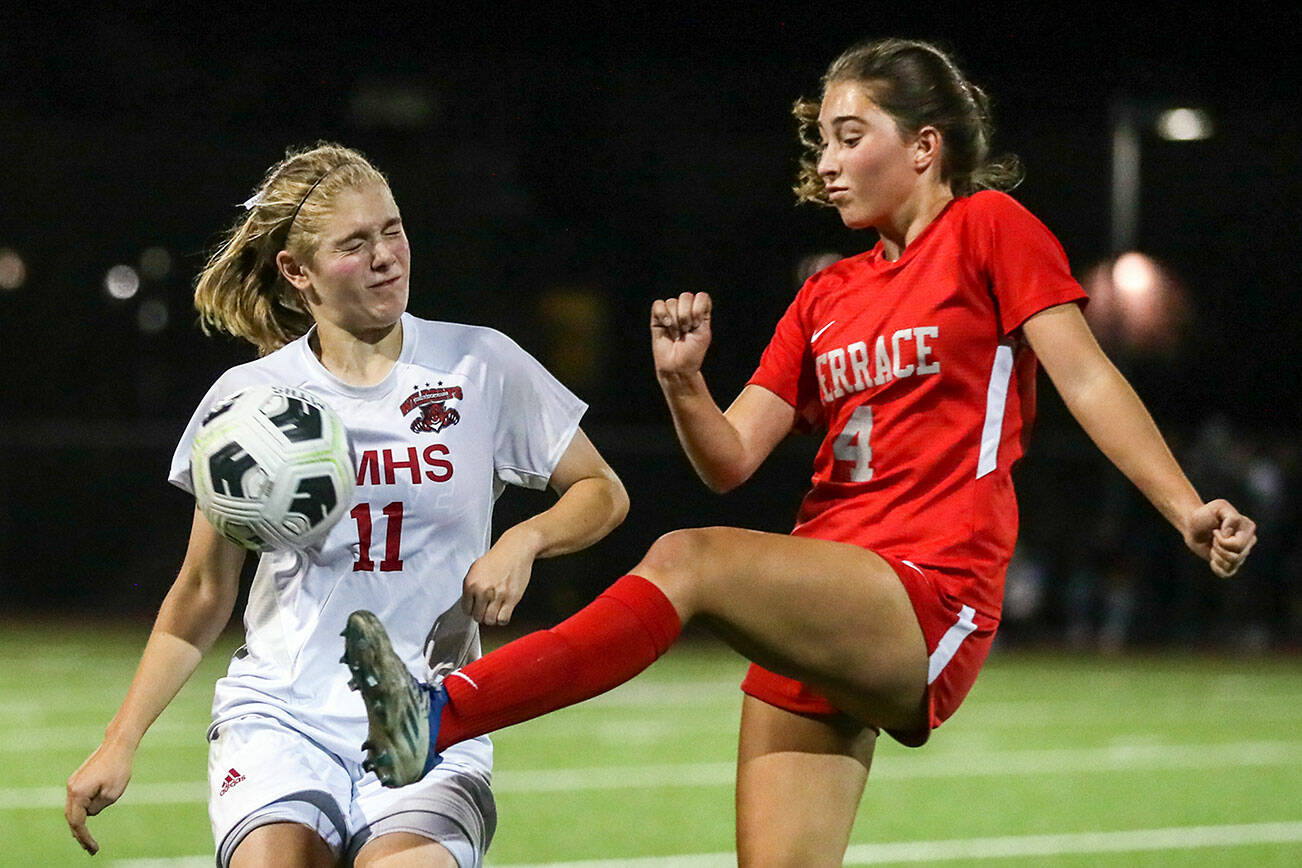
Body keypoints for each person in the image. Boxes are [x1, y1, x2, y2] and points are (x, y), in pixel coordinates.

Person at [345, 38, 1258, 865]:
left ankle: (440, 714)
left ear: (926, 147)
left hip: (927, 587)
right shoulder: (829, 294)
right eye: (820, 141)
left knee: (689, 556)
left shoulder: (987, 229)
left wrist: (1186, 506)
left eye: (850, 136)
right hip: (825, 598)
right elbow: (732, 458)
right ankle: (434, 717)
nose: (825, 163)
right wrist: (683, 384)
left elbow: (1087, 377)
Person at [64, 143, 629, 868]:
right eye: (355, 244)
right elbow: (204, 591)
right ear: (297, 271)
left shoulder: (477, 363)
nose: (386, 257)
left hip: (427, 718)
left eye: (392, 230)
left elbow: (602, 490)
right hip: (282, 715)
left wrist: (525, 540)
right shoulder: (249, 404)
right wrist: (120, 741)